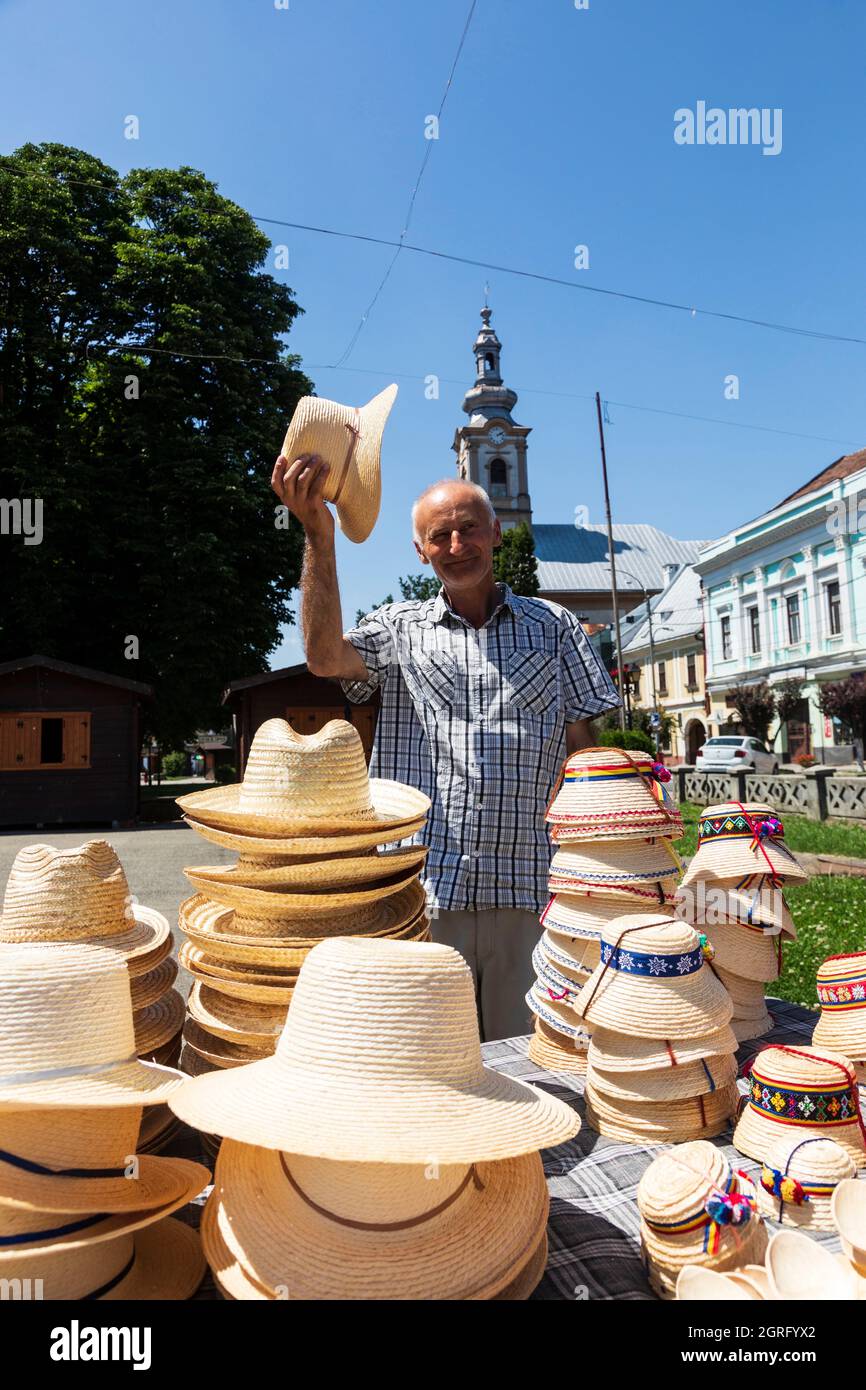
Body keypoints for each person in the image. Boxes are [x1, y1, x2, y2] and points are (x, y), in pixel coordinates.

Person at [272, 453, 621, 1041]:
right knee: (430, 1060)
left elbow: (585, 750)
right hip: (425, 891)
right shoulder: (399, 627)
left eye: (469, 528)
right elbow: (324, 657)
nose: (457, 544)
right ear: (420, 551)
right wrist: (318, 535)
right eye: (440, 535)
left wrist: (609, 863)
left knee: (535, 1059)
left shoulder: (555, 626)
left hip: (532, 889)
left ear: (496, 535)